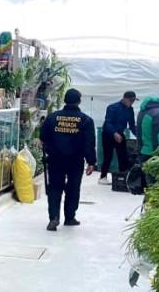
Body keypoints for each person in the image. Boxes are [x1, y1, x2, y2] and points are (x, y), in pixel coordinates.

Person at [40, 88, 97, 231]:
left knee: (54, 188)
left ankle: (53, 218)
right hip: (75, 160)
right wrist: (91, 162)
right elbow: (89, 143)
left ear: (65, 100)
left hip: (55, 159)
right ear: (79, 101)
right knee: (73, 188)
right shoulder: (85, 120)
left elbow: (43, 138)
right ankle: (70, 217)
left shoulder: (52, 118)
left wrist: (49, 148)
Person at [99, 91, 139, 184]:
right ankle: (102, 177)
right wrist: (114, 133)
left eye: (133, 101)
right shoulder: (112, 107)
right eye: (130, 100)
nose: (132, 103)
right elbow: (108, 123)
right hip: (108, 134)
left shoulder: (130, 110)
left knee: (123, 155)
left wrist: (138, 135)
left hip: (120, 133)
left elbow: (132, 125)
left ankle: (123, 175)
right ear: (124, 98)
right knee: (108, 156)